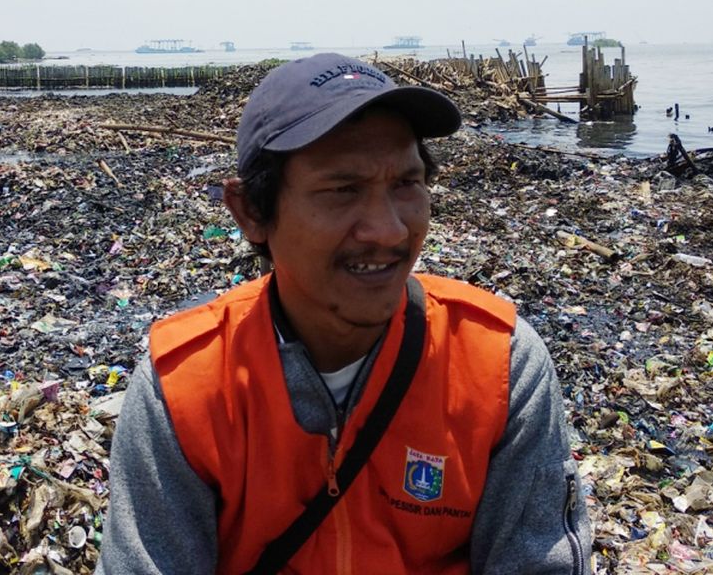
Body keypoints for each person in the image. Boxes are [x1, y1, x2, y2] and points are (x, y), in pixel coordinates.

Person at [97, 53, 592, 574]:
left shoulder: (498, 366)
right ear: (252, 212)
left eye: (406, 184)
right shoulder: (186, 386)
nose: (390, 231)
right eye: (342, 190)